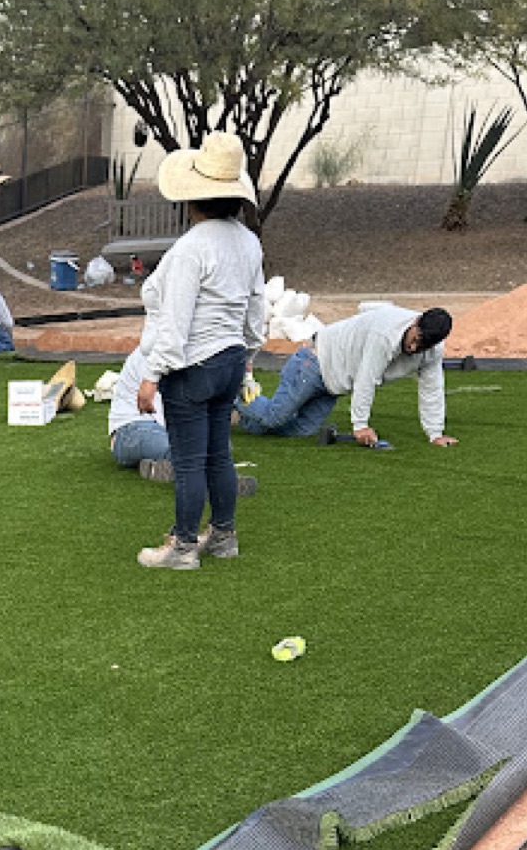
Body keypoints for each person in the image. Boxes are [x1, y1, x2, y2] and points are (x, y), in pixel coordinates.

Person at [131, 132, 266, 571]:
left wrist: (152, 375)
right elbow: (255, 307)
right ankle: (223, 535)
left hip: (193, 365)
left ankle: (183, 547)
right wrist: (247, 357)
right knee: (218, 453)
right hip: (229, 360)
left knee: (189, 460)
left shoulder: (191, 248)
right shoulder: (248, 242)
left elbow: (175, 320)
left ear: (194, 196)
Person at [234, 304, 458, 446]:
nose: (413, 348)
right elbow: (366, 378)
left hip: (333, 385)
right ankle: (231, 394)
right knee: (275, 416)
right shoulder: (385, 334)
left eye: (422, 346)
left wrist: (435, 434)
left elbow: (432, 389)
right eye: (415, 339)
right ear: (415, 322)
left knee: (301, 430)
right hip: (312, 362)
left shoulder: (432, 352)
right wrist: (360, 425)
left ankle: (236, 416)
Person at [110, 348, 259, 493]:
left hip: (164, 426)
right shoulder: (157, 356)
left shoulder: (192, 356)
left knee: (221, 445)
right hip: (129, 431)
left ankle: (158, 468)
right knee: (185, 447)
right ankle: (219, 483)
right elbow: (168, 414)